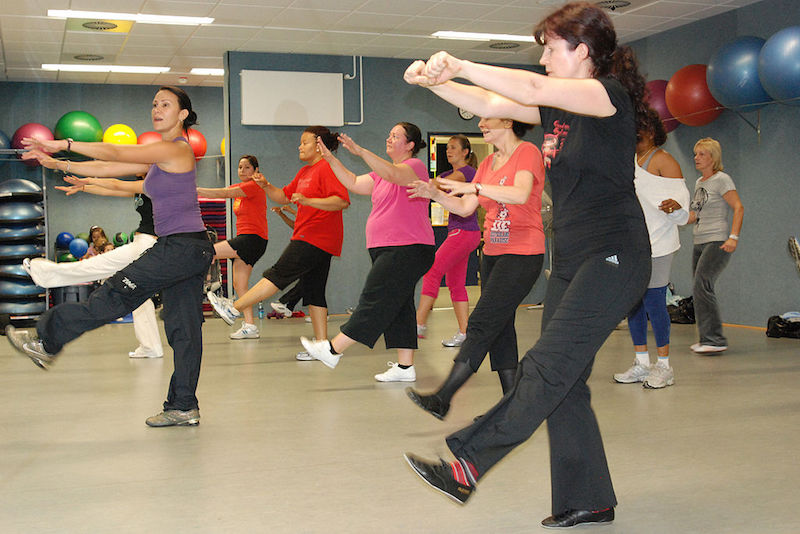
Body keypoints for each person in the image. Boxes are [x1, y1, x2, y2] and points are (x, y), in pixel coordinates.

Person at [400, 2, 652, 528]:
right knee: (566, 379)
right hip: (573, 258)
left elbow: (531, 89)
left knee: (548, 364)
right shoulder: (560, 111)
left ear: (583, 52)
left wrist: (463, 63)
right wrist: (435, 82)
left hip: (616, 253)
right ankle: (589, 498)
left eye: (550, 47)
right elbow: (492, 101)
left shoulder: (607, 96)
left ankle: (469, 461)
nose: (542, 57)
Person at [7, 86, 215, 428]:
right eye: (154, 104)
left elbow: (116, 150)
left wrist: (66, 144)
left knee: (114, 295)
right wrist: (63, 167)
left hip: (180, 247)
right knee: (185, 330)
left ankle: (46, 340)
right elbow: (117, 176)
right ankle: (183, 406)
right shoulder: (160, 165)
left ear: (182, 115)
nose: (156, 109)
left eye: (165, 104)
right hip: (189, 249)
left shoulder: (176, 150)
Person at [406, 118, 545, 419]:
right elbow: (467, 207)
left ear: (507, 121)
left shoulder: (527, 152)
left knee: (482, 322)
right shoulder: (489, 163)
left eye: (486, 117)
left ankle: (444, 397)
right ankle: (512, 406)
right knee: (500, 328)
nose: (481, 122)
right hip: (493, 253)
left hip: (522, 254)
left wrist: (474, 185)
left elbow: (520, 194)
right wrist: (436, 195)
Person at [298, 122, 435, 382]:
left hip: (408, 248)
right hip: (388, 249)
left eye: (395, 136)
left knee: (375, 298)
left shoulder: (414, 167)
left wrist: (359, 151)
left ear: (410, 145)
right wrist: (330, 159)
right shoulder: (380, 175)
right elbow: (352, 182)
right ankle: (405, 368)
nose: (389, 138)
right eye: (389, 134)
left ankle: (333, 349)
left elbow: (395, 175)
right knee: (399, 305)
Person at [206, 126, 349, 359]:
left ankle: (233, 309)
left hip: (314, 237)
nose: (299, 146)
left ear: (319, 144)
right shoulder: (305, 172)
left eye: (304, 142)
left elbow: (341, 201)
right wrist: (265, 185)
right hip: (315, 239)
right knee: (314, 292)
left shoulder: (328, 168)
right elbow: (282, 196)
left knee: (276, 275)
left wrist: (309, 201)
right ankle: (323, 347)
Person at [23, 174, 164, 359]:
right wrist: (83, 188)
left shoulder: (152, 183)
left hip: (146, 244)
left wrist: (88, 181)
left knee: (95, 265)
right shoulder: (141, 187)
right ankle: (151, 346)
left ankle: (42, 272)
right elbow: (113, 190)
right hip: (144, 243)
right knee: (138, 296)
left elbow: (115, 182)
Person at [613, 108, 690, 388]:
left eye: (640, 125)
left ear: (652, 130)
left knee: (655, 302)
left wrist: (677, 208)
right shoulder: (630, 160)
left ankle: (664, 367)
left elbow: (683, 208)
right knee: (633, 304)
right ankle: (642, 363)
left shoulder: (664, 160)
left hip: (661, 243)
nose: (634, 130)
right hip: (635, 244)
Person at [415, 135, 481, 348]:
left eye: (454, 148)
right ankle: (465, 332)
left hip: (465, 231)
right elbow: (435, 185)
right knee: (455, 283)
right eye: (447, 148)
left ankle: (418, 323)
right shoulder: (446, 175)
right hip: (460, 231)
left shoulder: (467, 173)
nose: (448, 151)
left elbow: (443, 183)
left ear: (465, 152)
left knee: (432, 271)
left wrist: (430, 185)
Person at [198, 155, 268, 339]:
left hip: (252, 238)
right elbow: (223, 191)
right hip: (247, 238)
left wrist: (195, 190)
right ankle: (250, 326)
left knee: (210, 251)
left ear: (256, 170)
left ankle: (212, 288)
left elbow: (222, 193)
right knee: (240, 285)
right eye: (240, 167)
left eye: (247, 167)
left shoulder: (253, 186)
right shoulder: (240, 188)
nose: (242, 171)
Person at [686, 137, 744, 353]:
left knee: (703, 284)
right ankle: (707, 338)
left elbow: (738, 208)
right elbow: (693, 215)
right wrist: (673, 214)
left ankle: (714, 340)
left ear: (713, 158)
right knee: (699, 287)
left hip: (717, 240)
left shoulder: (722, 180)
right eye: (695, 154)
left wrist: (733, 237)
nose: (696, 158)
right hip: (698, 240)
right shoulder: (699, 183)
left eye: (701, 154)